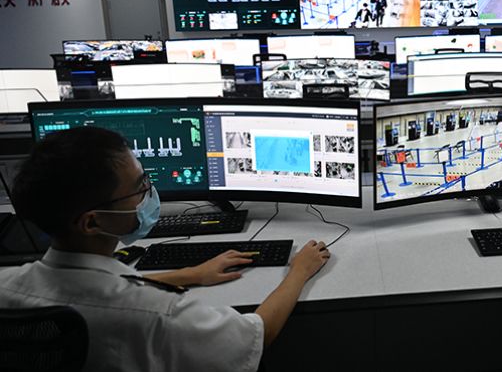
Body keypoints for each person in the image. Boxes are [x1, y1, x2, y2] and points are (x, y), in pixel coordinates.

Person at [0, 127, 331, 372]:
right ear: (91, 222)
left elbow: (91, 291)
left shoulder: (8, 286)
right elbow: (258, 334)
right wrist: (299, 271)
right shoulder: (157, 313)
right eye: (140, 187)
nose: (150, 192)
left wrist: (190, 274)